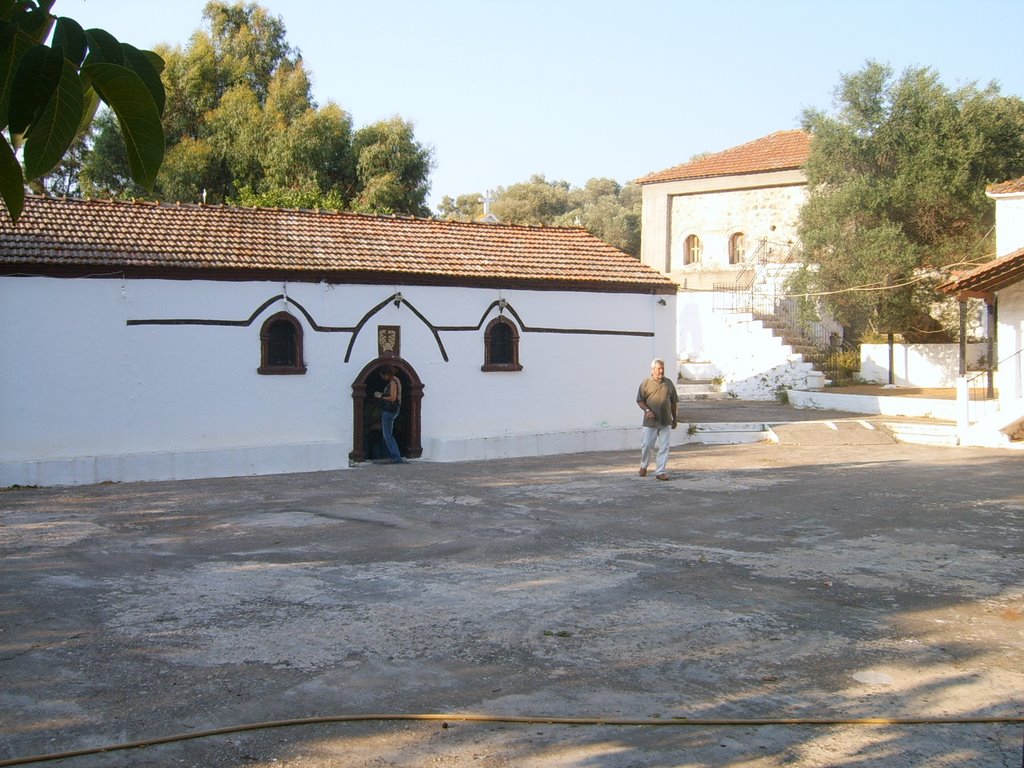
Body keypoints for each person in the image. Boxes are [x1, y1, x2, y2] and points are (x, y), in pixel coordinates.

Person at [636, 357, 678, 480]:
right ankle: (644, 466)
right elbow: (640, 400)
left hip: (665, 420)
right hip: (650, 421)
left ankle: (660, 472)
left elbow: (674, 402)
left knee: (664, 446)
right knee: (647, 445)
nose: (661, 371)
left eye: (663, 369)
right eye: (659, 369)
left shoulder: (668, 383)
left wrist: (675, 418)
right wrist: (647, 410)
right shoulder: (645, 383)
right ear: (653, 369)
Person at [374, 366, 404, 463]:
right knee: (387, 434)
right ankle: (391, 455)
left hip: (389, 410)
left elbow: (393, 398)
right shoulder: (396, 380)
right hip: (394, 410)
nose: (383, 378)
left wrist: (381, 396)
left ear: (387, 374)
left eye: (383, 376)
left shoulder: (392, 382)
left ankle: (396, 457)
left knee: (387, 435)